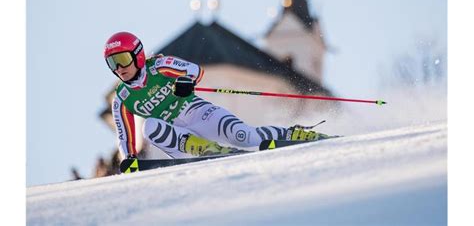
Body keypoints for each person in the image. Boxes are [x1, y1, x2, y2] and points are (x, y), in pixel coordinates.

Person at [104, 31, 332, 161]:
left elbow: (194, 70)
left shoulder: (159, 66)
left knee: (246, 136)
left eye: (122, 59)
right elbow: (124, 135)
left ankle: (295, 134)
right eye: (112, 63)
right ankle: (202, 149)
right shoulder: (123, 98)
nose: (119, 68)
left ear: (138, 55)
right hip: (177, 136)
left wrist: (185, 82)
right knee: (149, 127)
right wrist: (129, 158)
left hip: (198, 114)